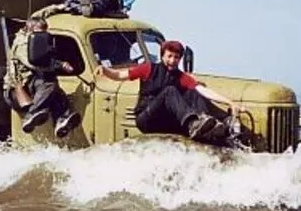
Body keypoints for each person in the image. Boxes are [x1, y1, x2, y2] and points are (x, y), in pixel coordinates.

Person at [94, 40, 246, 143]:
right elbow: (121, 75)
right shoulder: (149, 69)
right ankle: (192, 124)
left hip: (164, 120)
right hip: (146, 117)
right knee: (170, 91)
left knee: (194, 92)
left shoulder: (181, 77)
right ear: (162, 55)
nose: (173, 60)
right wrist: (105, 70)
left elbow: (203, 91)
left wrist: (230, 102)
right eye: (169, 56)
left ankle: (215, 125)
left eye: (176, 57)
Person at [1, 17, 82, 138]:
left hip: (32, 85)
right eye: (41, 32)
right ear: (30, 29)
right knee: (49, 83)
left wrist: (62, 8)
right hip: (17, 90)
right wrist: (61, 65)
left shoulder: (37, 41)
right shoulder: (23, 44)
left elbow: (44, 13)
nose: (44, 35)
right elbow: (35, 64)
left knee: (55, 91)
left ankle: (61, 120)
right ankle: (32, 114)